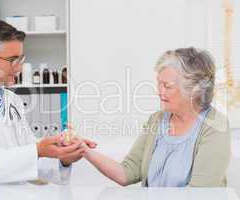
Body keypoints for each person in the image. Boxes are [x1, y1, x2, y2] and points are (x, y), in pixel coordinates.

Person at [0, 19, 96, 185]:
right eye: (12, 60)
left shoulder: (11, 100)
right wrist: (37, 150)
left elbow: (29, 154)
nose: (19, 68)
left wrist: (61, 155)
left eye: (21, 59)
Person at [83, 47, 231, 187]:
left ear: (193, 91)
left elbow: (199, 195)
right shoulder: (157, 119)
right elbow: (127, 172)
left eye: (167, 86)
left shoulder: (215, 127)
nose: (159, 92)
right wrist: (84, 151)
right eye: (159, 84)